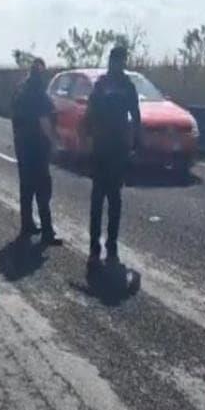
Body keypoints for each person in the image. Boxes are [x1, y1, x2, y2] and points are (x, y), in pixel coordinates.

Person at [83, 46, 141, 264]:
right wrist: (136, 143)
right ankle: (108, 247)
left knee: (102, 199)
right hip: (112, 149)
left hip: (106, 148)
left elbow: (90, 115)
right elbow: (135, 117)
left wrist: (87, 139)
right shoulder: (125, 86)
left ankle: (98, 247)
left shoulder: (104, 85)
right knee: (111, 199)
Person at [11, 58, 61, 245]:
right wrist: (54, 142)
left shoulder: (19, 91)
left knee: (26, 188)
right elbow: (44, 122)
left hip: (22, 146)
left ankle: (27, 225)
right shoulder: (39, 94)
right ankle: (47, 232)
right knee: (43, 190)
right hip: (37, 148)